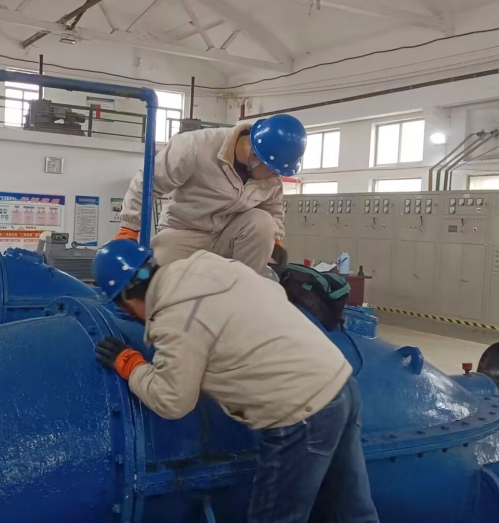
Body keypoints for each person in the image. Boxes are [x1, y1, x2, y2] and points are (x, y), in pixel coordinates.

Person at [92, 239, 379, 523]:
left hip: (302, 410)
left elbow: (172, 400)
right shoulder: (207, 266)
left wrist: (131, 365)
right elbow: (273, 290)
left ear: (127, 299)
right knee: (353, 513)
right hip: (339, 380)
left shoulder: (174, 316)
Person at [114, 114, 307, 274]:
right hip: (184, 232)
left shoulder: (270, 173)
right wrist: (130, 228)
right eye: (273, 171)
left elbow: (272, 207)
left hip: (229, 235)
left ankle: (241, 290)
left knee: (263, 222)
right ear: (256, 156)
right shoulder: (195, 146)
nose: (276, 177)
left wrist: (276, 240)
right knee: (156, 282)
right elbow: (148, 183)